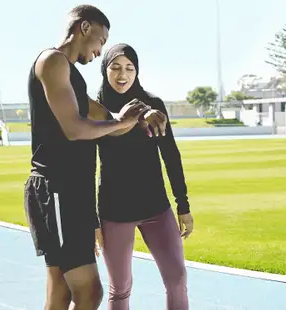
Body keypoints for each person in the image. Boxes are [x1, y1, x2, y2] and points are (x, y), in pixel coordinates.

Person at [23, 5, 153, 310]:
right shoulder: (52, 61)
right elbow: (74, 128)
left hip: (73, 194)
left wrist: (142, 116)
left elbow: (110, 122)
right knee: (89, 292)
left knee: (60, 292)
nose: (100, 50)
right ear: (84, 28)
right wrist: (121, 123)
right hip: (56, 188)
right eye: (101, 40)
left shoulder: (72, 77)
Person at [95, 43, 194, 310]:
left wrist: (182, 205)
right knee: (120, 289)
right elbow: (83, 168)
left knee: (177, 279)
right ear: (105, 69)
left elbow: (171, 157)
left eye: (129, 68)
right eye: (115, 67)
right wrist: (91, 220)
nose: (122, 74)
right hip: (114, 212)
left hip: (156, 208)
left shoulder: (154, 106)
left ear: (137, 71)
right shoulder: (95, 109)